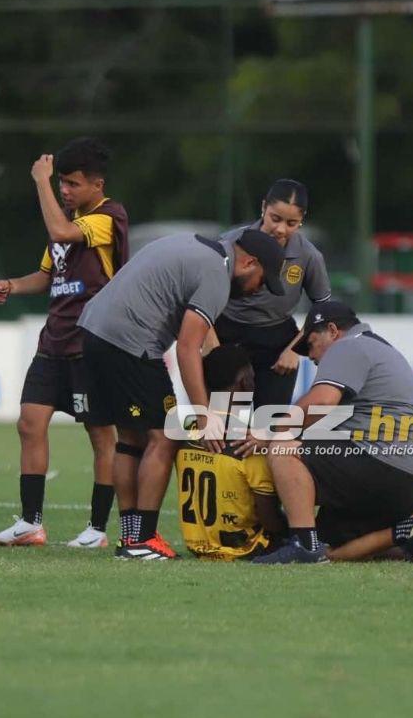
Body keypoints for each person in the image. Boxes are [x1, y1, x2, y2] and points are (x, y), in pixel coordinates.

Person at [78, 228, 287, 560]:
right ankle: (143, 540)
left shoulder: (194, 246)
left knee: (130, 440)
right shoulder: (217, 274)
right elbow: (189, 347)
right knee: (164, 437)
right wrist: (205, 415)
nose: (258, 288)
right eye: (262, 279)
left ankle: (131, 537)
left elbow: (202, 343)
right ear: (248, 261)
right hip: (132, 342)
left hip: (93, 331)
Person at [251, 301, 413, 565]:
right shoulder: (379, 348)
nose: (312, 357)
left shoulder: (348, 347)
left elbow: (323, 401)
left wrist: (271, 429)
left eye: (313, 343)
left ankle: (303, 545)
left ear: (333, 330)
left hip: (378, 466)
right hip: (409, 481)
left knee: (282, 447)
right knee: (333, 547)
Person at [0, 138, 128, 548]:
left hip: (91, 343)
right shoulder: (66, 218)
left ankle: (97, 530)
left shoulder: (107, 217)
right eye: (61, 183)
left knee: (101, 435)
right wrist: (11, 285)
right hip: (54, 340)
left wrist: (40, 181)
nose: (64, 190)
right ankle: (31, 523)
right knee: (29, 424)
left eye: (72, 184)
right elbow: (48, 275)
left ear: (96, 184)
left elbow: (61, 230)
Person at [211, 179, 331, 407]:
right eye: (275, 218)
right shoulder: (230, 242)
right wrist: (214, 347)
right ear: (264, 208)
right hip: (227, 335)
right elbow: (203, 296)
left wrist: (296, 349)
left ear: (301, 221)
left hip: (276, 343)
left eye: (291, 223)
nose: (280, 229)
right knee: (223, 426)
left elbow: (322, 309)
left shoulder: (309, 256)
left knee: (268, 428)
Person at [175, 345, 286, 560]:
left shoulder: (187, 431)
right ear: (246, 383)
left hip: (198, 546)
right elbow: (269, 518)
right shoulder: (248, 441)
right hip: (246, 548)